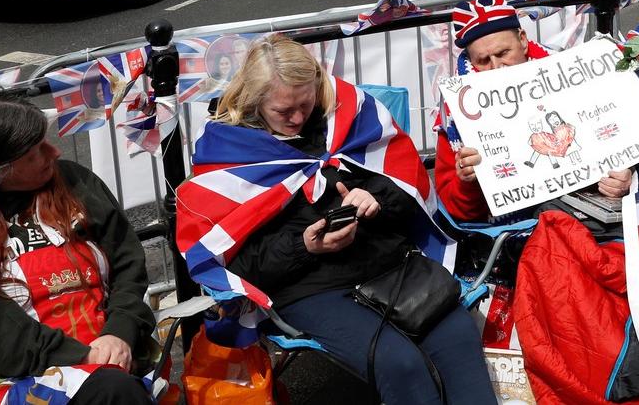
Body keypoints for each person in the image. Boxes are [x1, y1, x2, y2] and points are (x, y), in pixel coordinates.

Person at [204, 36, 498, 405]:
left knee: (460, 342)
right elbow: (234, 263)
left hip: (389, 264)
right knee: (399, 364)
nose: (297, 118)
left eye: (305, 104)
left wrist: (377, 200)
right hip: (308, 285)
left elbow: (410, 189)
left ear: (317, 86)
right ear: (254, 101)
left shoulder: (351, 117)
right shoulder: (229, 153)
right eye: (283, 111)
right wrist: (304, 247)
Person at [0, 97, 154, 404]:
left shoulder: (74, 181)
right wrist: (85, 356)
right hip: (23, 376)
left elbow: (128, 264)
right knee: (112, 390)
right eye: (35, 152)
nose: (54, 152)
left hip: (113, 351)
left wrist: (120, 332)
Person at [435, 0, 632, 223]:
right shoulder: (456, 114)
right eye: (483, 60)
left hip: (590, 214)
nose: (496, 67)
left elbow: (623, 143)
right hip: (519, 229)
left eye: (502, 53)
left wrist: (625, 176)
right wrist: (467, 182)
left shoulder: (572, 75)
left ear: (523, 40)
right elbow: (456, 211)